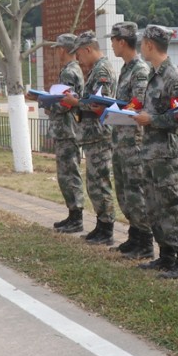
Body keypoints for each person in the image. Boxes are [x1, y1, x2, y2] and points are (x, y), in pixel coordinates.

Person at [133, 25, 178, 278]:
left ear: (149, 44)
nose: (140, 47)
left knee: (171, 206)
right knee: (153, 206)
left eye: (142, 43)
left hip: (166, 153)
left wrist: (153, 120)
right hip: (150, 151)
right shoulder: (153, 75)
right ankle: (166, 255)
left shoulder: (174, 77)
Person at [62, 31, 116, 245]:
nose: (79, 59)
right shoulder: (96, 69)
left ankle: (107, 228)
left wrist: (76, 103)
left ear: (88, 49)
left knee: (100, 183)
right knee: (94, 183)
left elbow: (100, 104)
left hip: (100, 135)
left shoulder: (102, 70)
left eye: (80, 54)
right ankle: (101, 225)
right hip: (93, 135)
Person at [29, 33, 85, 233]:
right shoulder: (70, 70)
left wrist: (47, 103)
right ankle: (72, 214)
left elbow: (65, 102)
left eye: (59, 48)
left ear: (65, 49)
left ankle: (76, 217)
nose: (57, 52)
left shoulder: (70, 72)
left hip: (67, 130)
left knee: (69, 174)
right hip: (67, 129)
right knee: (66, 174)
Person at [107, 21, 153, 258]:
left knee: (136, 192)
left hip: (134, 142)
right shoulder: (126, 69)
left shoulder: (139, 70)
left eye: (113, 40)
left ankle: (145, 242)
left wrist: (118, 109)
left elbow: (139, 103)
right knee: (124, 193)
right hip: (120, 141)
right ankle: (135, 236)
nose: (112, 45)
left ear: (122, 42)